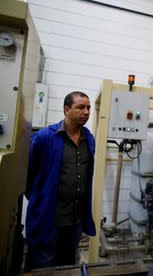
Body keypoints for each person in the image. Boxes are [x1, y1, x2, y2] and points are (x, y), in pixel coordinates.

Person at [24, 91, 96, 271]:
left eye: (88, 108)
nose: (86, 112)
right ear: (66, 110)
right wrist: (39, 201)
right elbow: (27, 174)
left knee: (67, 267)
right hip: (48, 220)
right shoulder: (44, 138)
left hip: (74, 221)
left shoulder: (89, 139)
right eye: (80, 107)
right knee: (43, 266)